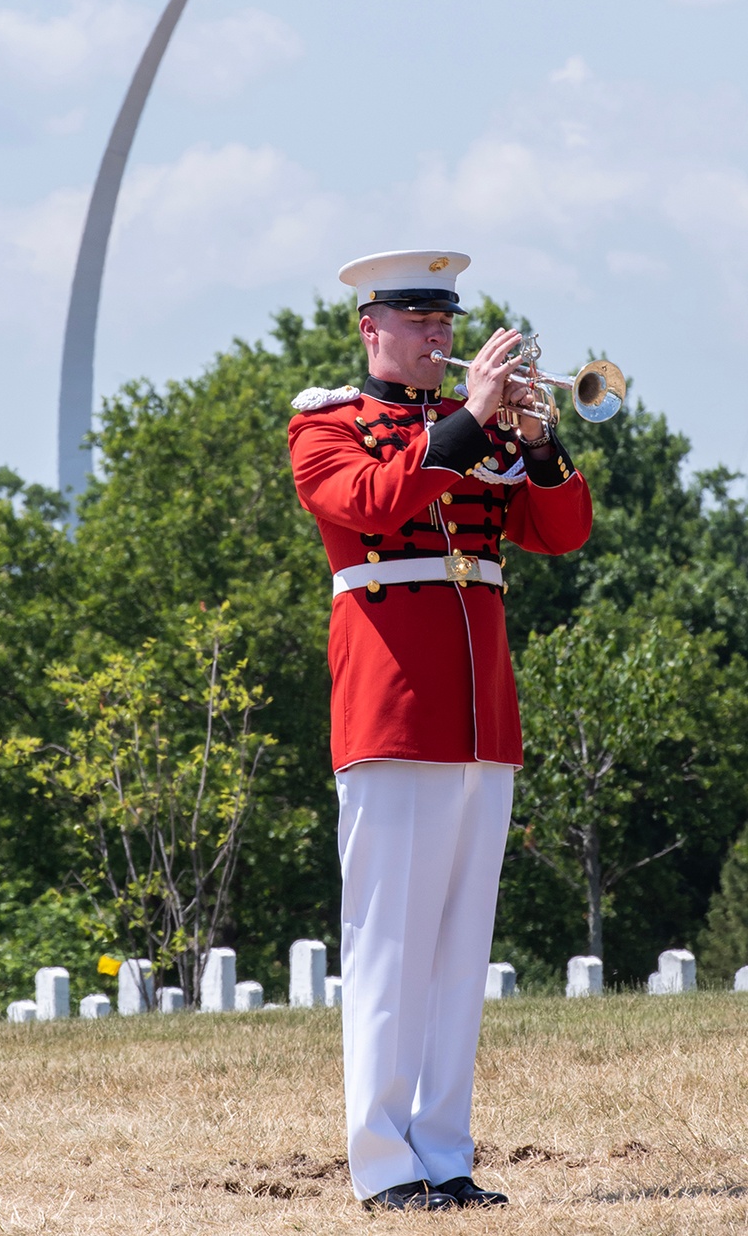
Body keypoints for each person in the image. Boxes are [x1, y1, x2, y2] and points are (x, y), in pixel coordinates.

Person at [287, 249, 593, 1213]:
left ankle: (445, 1153)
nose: (440, 341)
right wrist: (469, 422)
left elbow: (561, 533)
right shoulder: (328, 423)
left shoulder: (477, 431)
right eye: (420, 324)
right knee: (389, 945)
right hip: (391, 709)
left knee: (460, 949)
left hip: (479, 714)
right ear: (371, 328)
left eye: (446, 325)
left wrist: (540, 446)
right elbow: (373, 502)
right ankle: (382, 1164)